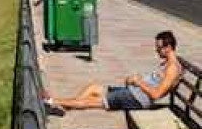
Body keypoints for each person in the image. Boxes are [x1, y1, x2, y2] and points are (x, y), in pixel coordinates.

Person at [44, 31, 183, 116]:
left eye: (159, 48)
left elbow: (156, 94)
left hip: (136, 99)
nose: (156, 51)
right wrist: (136, 81)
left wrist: (138, 81)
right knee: (93, 88)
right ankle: (64, 109)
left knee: (91, 102)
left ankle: (52, 101)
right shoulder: (168, 64)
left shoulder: (172, 69)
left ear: (168, 47)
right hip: (133, 92)